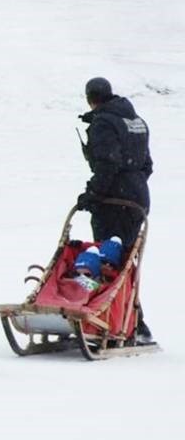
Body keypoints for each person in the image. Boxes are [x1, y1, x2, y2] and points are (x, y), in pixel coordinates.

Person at [77, 77, 153, 341]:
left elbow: (107, 164)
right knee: (125, 260)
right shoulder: (136, 121)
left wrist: (93, 194)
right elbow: (147, 165)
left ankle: (109, 319)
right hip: (137, 199)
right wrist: (133, 185)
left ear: (90, 98)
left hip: (113, 202)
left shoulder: (103, 124)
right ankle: (130, 319)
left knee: (106, 259)